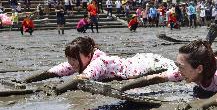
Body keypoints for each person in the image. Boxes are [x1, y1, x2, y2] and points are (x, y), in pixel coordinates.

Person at [23, 37, 179, 94]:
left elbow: (80, 79)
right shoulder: (78, 61)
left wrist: (57, 90)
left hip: (148, 63)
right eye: (69, 59)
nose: (71, 63)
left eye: (74, 59)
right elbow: (53, 72)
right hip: (137, 60)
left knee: (177, 71)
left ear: (88, 55)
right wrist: (25, 82)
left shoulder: (99, 62)